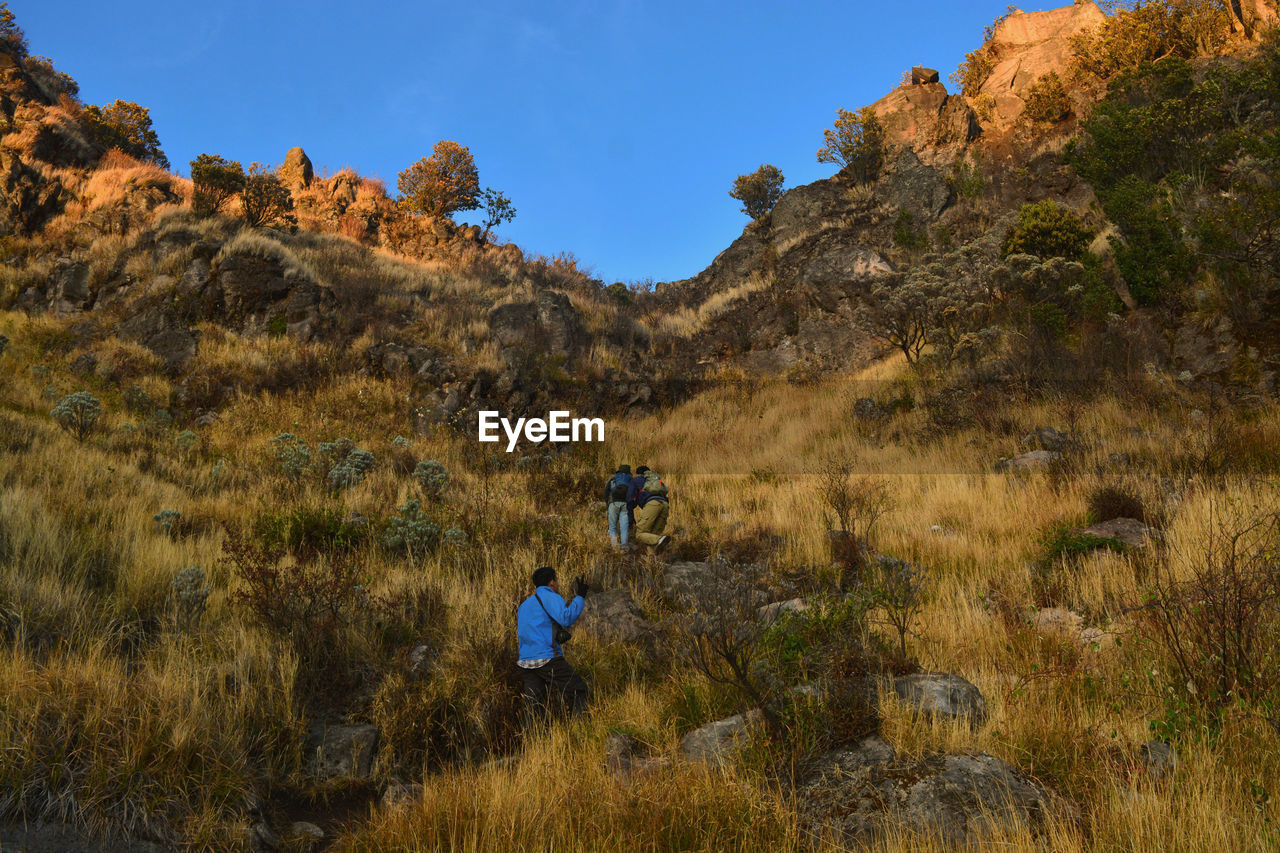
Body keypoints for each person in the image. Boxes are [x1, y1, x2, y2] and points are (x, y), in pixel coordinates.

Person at [516, 566, 589, 729]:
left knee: (533, 707)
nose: (558, 584)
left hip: (526, 662)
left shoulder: (524, 606)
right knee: (578, 689)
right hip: (547, 658)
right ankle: (582, 732)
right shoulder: (550, 596)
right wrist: (580, 598)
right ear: (552, 582)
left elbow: (529, 631)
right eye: (557, 580)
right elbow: (566, 618)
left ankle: (533, 746)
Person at [632, 469, 671, 552]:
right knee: (651, 536)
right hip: (665, 505)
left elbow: (630, 496)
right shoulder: (656, 480)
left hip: (653, 504)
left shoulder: (637, 480)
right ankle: (652, 559)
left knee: (640, 534)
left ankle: (660, 539)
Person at [603, 464, 633, 550]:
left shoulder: (613, 478)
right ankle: (624, 546)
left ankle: (615, 547)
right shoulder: (630, 479)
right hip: (625, 504)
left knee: (612, 527)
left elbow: (605, 493)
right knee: (624, 527)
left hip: (613, 503)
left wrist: (608, 504)